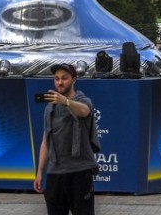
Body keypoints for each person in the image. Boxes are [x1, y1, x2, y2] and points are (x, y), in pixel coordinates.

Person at [34, 63, 96, 215]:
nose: (60, 82)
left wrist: (66, 102)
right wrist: (40, 172)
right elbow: (46, 141)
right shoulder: (50, 108)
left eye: (64, 78)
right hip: (55, 173)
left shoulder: (82, 99)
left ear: (74, 80)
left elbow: (85, 111)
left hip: (80, 172)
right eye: (56, 79)